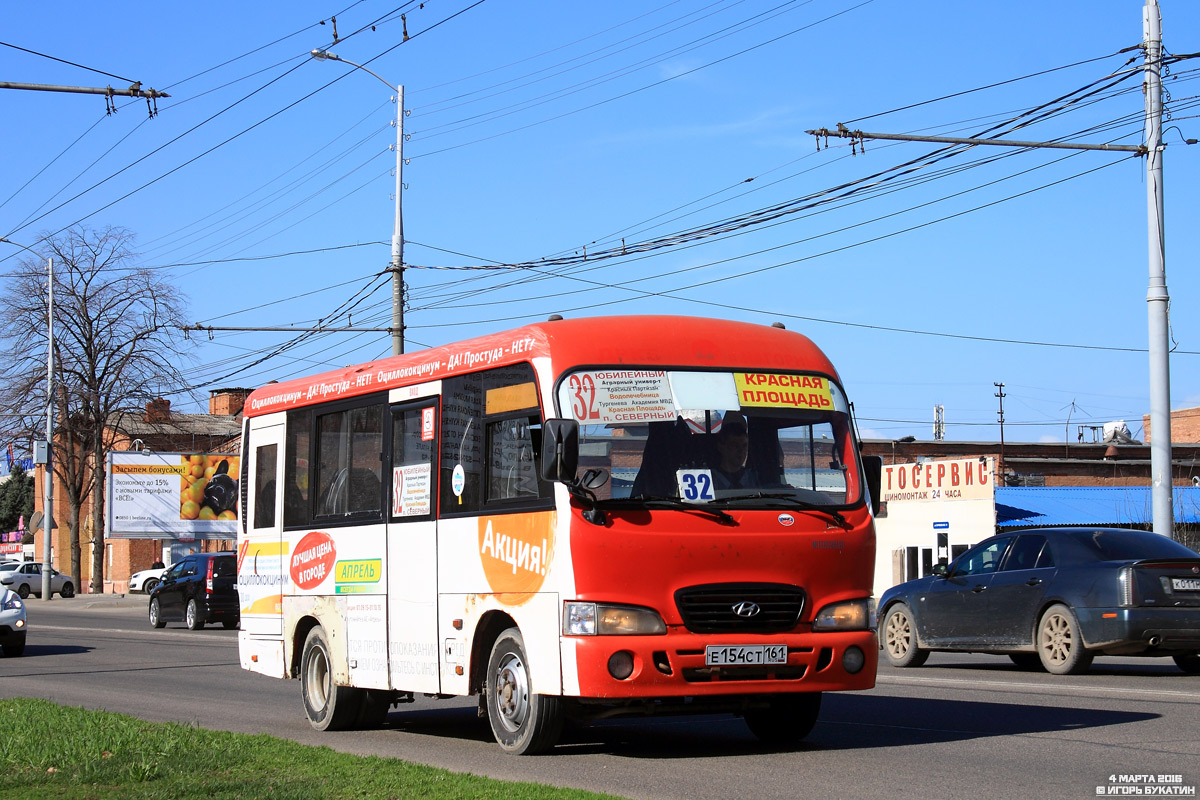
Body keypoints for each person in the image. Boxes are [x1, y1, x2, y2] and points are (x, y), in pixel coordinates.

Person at [712, 412, 757, 490]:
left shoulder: (754, 479)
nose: (741, 450)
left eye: (744, 446)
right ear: (721, 447)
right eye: (735, 445)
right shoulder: (711, 479)